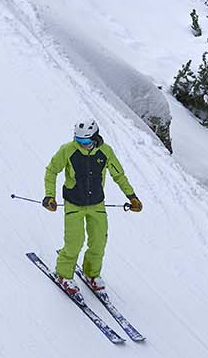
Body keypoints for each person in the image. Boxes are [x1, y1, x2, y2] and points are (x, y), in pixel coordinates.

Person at [42, 120, 141, 290]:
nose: (82, 145)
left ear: (95, 138)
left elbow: (119, 175)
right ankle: (63, 274)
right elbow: (51, 171)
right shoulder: (67, 150)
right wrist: (49, 196)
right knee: (74, 243)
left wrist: (132, 196)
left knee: (98, 242)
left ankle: (92, 274)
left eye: (86, 142)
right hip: (74, 203)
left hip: (97, 204)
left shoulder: (105, 152)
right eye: (78, 141)